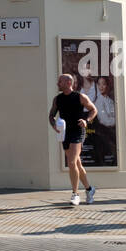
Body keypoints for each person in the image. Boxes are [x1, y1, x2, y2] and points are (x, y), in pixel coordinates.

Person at [49, 73, 97, 206]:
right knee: (76, 164)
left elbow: (93, 110)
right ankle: (89, 189)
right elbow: (51, 115)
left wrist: (86, 120)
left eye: (60, 81)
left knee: (71, 162)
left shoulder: (80, 97)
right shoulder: (57, 99)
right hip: (65, 133)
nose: (58, 83)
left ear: (68, 83)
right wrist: (54, 126)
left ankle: (75, 194)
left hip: (77, 131)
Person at [93, 74, 118, 166]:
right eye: (99, 84)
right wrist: (117, 121)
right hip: (105, 136)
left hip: (112, 133)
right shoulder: (98, 102)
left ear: (108, 85)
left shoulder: (110, 101)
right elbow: (104, 120)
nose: (101, 87)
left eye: (103, 84)